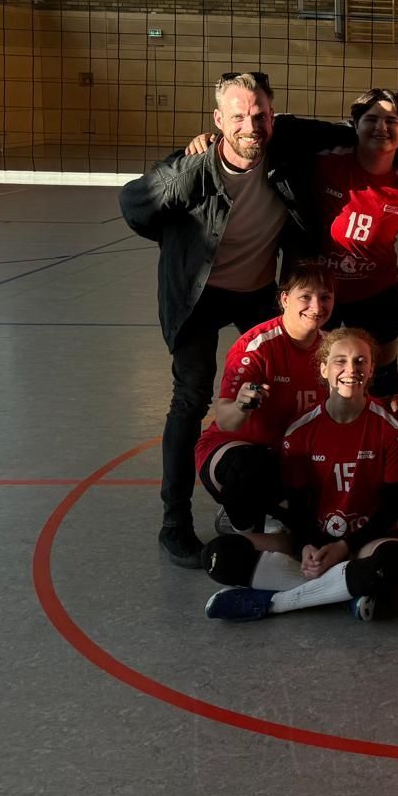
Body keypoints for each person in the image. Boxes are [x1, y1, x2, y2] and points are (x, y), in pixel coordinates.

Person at [120, 70, 354, 568]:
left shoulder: (282, 142)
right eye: (239, 117)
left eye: (260, 115)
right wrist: (181, 202)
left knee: (292, 379)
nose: (251, 125)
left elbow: (345, 131)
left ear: (273, 115)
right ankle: (174, 522)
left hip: (257, 292)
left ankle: (267, 494)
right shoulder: (191, 168)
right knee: (191, 397)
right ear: (218, 121)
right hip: (197, 297)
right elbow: (134, 206)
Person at [201, 327, 398, 622]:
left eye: (360, 361)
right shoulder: (300, 431)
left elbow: (393, 507)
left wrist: (343, 547)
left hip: (364, 540)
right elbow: (297, 507)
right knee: (218, 556)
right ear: (324, 369)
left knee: (395, 561)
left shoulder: (392, 428)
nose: (351, 369)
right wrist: (308, 547)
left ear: (371, 370)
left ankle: (277, 602)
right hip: (310, 539)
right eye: (340, 361)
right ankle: (343, 592)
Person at [193, 262, 336, 535]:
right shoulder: (256, 346)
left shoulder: (333, 348)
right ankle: (243, 527)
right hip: (238, 449)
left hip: (294, 454)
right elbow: (226, 421)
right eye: (305, 296)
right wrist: (241, 405)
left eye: (325, 297)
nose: (316, 306)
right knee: (253, 469)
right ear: (285, 299)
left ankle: (275, 511)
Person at [314, 88, 398, 405]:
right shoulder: (325, 163)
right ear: (355, 125)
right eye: (371, 119)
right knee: (316, 375)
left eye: (391, 121)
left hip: (376, 291)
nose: (381, 127)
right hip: (322, 291)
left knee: (382, 378)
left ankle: (389, 433)